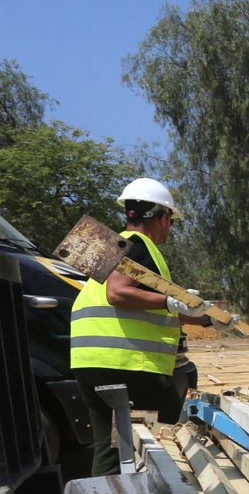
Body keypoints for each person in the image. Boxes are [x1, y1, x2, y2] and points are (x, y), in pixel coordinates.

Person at [70, 178, 209, 475]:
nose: (169, 227)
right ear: (162, 217)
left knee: (111, 448)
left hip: (88, 361)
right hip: (129, 365)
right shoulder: (138, 245)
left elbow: (144, 307)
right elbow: (118, 293)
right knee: (164, 434)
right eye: (170, 221)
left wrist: (203, 316)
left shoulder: (108, 248)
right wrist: (171, 302)